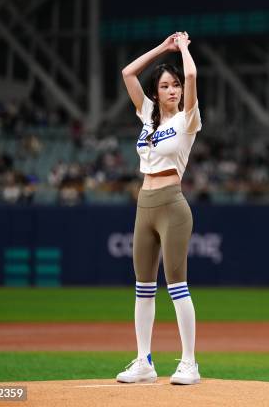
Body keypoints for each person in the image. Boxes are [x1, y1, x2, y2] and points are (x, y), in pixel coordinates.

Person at [116, 31, 202, 385]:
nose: (173, 90)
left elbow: (193, 75)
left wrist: (182, 48)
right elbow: (127, 73)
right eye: (165, 86)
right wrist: (162, 48)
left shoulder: (187, 120)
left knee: (177, 285)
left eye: (175, 85)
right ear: (157, 92)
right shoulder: (148, 116)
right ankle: (143, 361)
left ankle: (189, 363)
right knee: (143, 286)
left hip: (172, 204)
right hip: (145, 204)